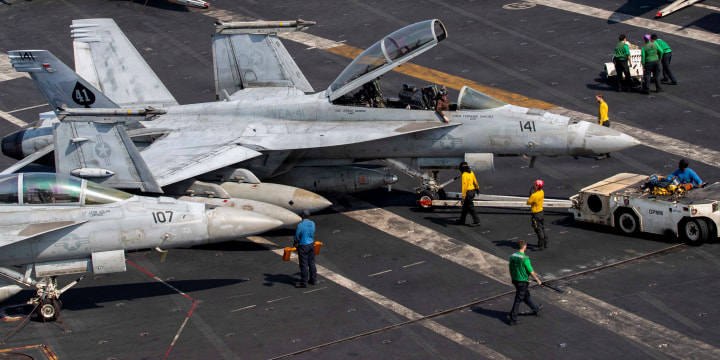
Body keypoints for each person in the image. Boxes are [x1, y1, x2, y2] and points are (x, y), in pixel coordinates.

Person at [508, 240, 543, 325]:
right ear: (525, 247)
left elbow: (510, 268)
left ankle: (535, 309)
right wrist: (537, 280)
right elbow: (531, 271)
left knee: (525, 296)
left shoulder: (512, 256)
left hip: (515, 280)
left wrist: (513, 277)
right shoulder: (525, 259)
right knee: (518, 300)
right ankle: (513, 319)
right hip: (522, 281)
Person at [293, 210, 317, 288]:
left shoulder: (300, 225)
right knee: (312, 263)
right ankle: (313, 280)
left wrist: (295, 244)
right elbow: (313, 233)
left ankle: (304, 282)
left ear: (302, 216)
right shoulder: (312, 223)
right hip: (311, 244)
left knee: (303, 265)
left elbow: (297, 236)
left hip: (303, 246)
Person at [455, 161, 480, 227]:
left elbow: (464, 186)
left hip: (468, 193)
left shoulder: (464, 175)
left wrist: (463, 196)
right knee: (465, 207)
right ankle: (462, 220)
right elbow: (475, 181)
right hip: (473, 191)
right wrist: (477, 188)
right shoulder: (471, 173)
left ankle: (477, 221)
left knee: (471, 208)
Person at [527, 180, 548, 250]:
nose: (533, 185)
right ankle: (545, 242)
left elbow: (528, 202)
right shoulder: (542, 192)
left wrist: (531, 196)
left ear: (537, 186)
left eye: (534, 184)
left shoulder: (534, 195)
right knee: (542, 227)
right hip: (541, 212)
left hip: (536, 214)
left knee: (538, 229)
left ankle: (540, 244)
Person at [595, 92, 611, 159]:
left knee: (602, 139)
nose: (596, 99)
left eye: (597, 98)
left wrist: (600, 125)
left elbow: (602, 116)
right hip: (606, 122)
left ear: (600, 98)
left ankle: (603, 154)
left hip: (604, 122)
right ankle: (607, 153)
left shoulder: (602, 105)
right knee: (606, 138)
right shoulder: (603, 104)